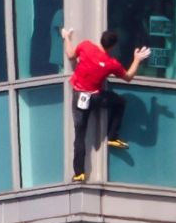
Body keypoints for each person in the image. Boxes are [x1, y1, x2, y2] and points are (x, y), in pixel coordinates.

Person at [62, 28, 151, 182]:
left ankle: (79, 173)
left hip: (79, 96)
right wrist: (136, 59)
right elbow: (128, 77)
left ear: (101, 38)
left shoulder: (86, 46)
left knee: (80, 136)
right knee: (120, 102)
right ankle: (112, 135)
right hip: (96, 97)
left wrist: (66, 37)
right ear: (113, 46)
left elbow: (70, 55)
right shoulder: (111, 64)